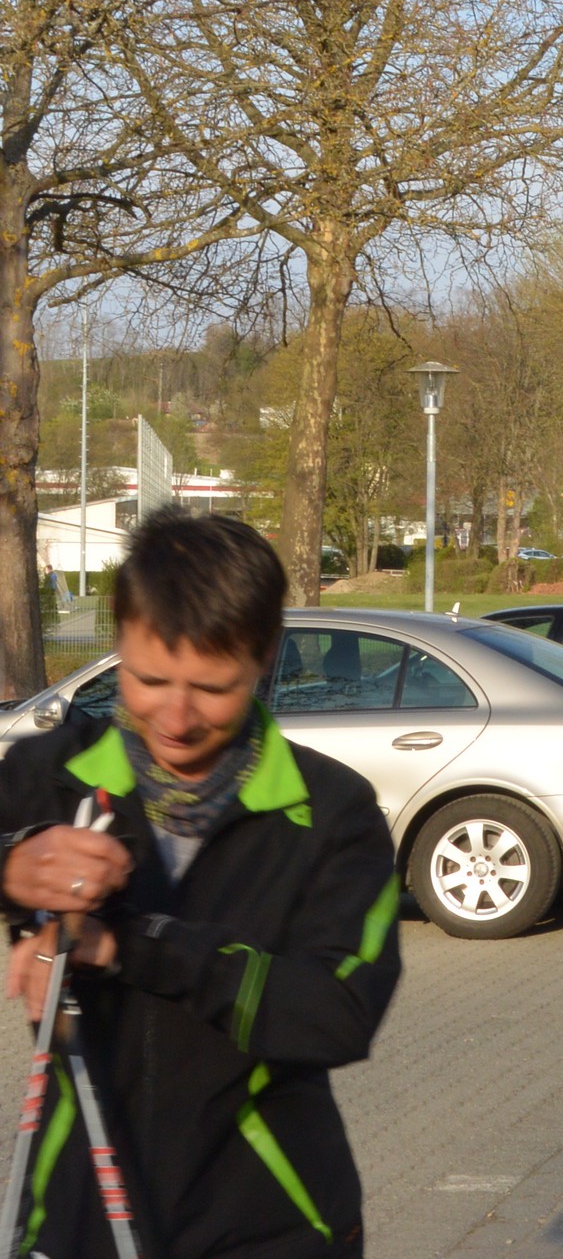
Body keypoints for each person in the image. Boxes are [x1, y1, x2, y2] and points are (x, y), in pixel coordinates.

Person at [0, 512, 401, 1258]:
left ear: (264, 657)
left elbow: (337, 1015)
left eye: (212, 688)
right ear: (119, 643)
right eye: (148, 679)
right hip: (78, 1213)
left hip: (270, 1221)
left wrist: (131, 945)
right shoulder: (48, 775)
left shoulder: (332, 812)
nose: (175, 718)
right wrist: (12, 863)